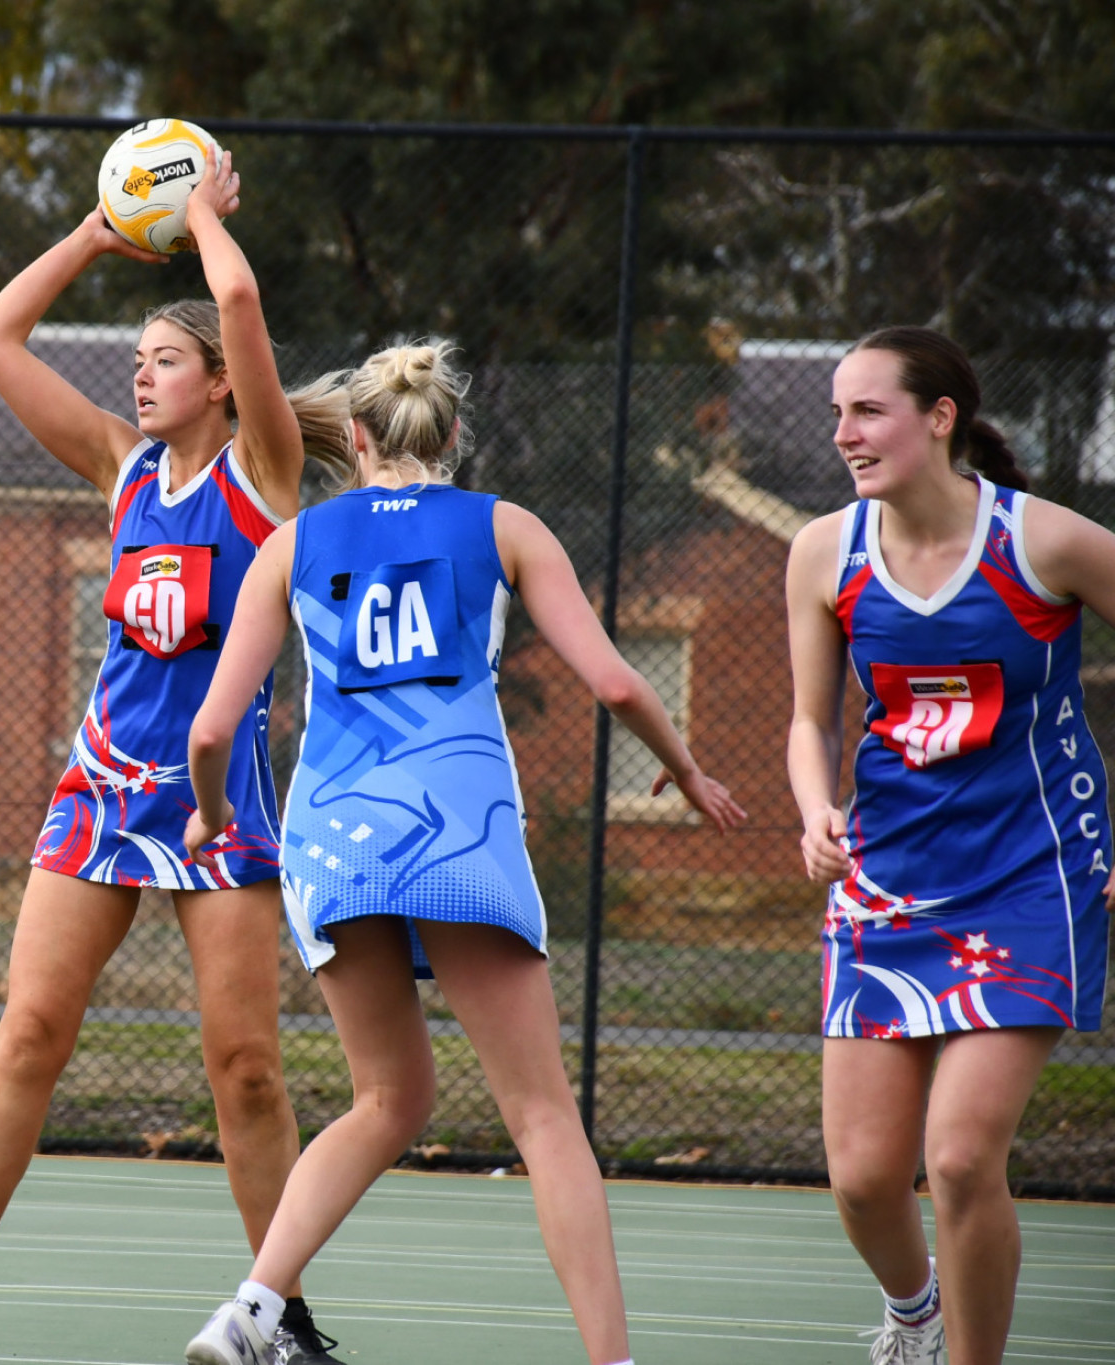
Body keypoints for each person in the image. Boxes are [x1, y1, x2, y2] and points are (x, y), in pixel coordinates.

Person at [178, 341, 747, 1365]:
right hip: (458, 831)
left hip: (332, 837)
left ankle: (252, 1309)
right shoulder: (502, 527)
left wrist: (212, 815)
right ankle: (610, 1361)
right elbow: (615, 685)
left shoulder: (293, 542)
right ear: (449, 436)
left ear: (352, 438)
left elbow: (212, 734)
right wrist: (687, 769)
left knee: (384, 1099)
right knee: (538, 1115)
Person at [0, 148, 351, 1365]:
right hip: (99, 791)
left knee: (244, 1069)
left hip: (219, 806)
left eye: (161, 361)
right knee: (28, 1034)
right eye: (134, 361)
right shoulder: (117, 469)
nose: (138, 377)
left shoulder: (263, 477)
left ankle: (276, 1313)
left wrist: (197, 210)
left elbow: (239, 304)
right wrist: (98, 232)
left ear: (213, 385)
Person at [785, 326, 1113, 1365]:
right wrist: (809, 809)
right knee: (863, 1178)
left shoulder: (1044, 542)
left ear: (938, 419)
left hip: (1031, 873)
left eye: (866, 410)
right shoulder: (822, 553)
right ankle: (914, 1314)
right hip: (887, 882)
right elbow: (808, 721)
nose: (843, 433)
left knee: (963, 1157)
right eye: (836, 412)